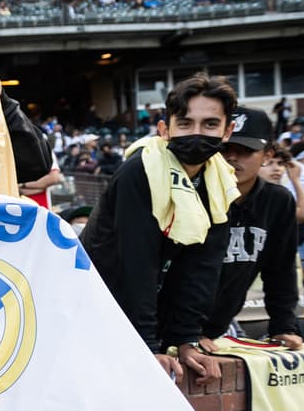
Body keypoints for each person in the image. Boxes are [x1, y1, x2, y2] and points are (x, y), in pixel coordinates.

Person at [80, 73, 239, 381]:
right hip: (95, 301)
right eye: (185, 123)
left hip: (151, 308)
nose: (196, 133)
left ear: (227, 131)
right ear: (165, 129)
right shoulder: (138, 172)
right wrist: (148, 344)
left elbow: (202, 267)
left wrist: (186, 340)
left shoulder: (221, 183)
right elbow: (136, 263)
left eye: (209, 124)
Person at [199, 107, 304, 349]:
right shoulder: (191, 194)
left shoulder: (277, 201)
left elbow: (281, 271)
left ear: (267, 155)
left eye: (246, 150)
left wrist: (284, 327)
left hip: (216, 328)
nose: (232, 157)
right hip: (168, 328)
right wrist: (184, 333)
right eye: (224, 148)